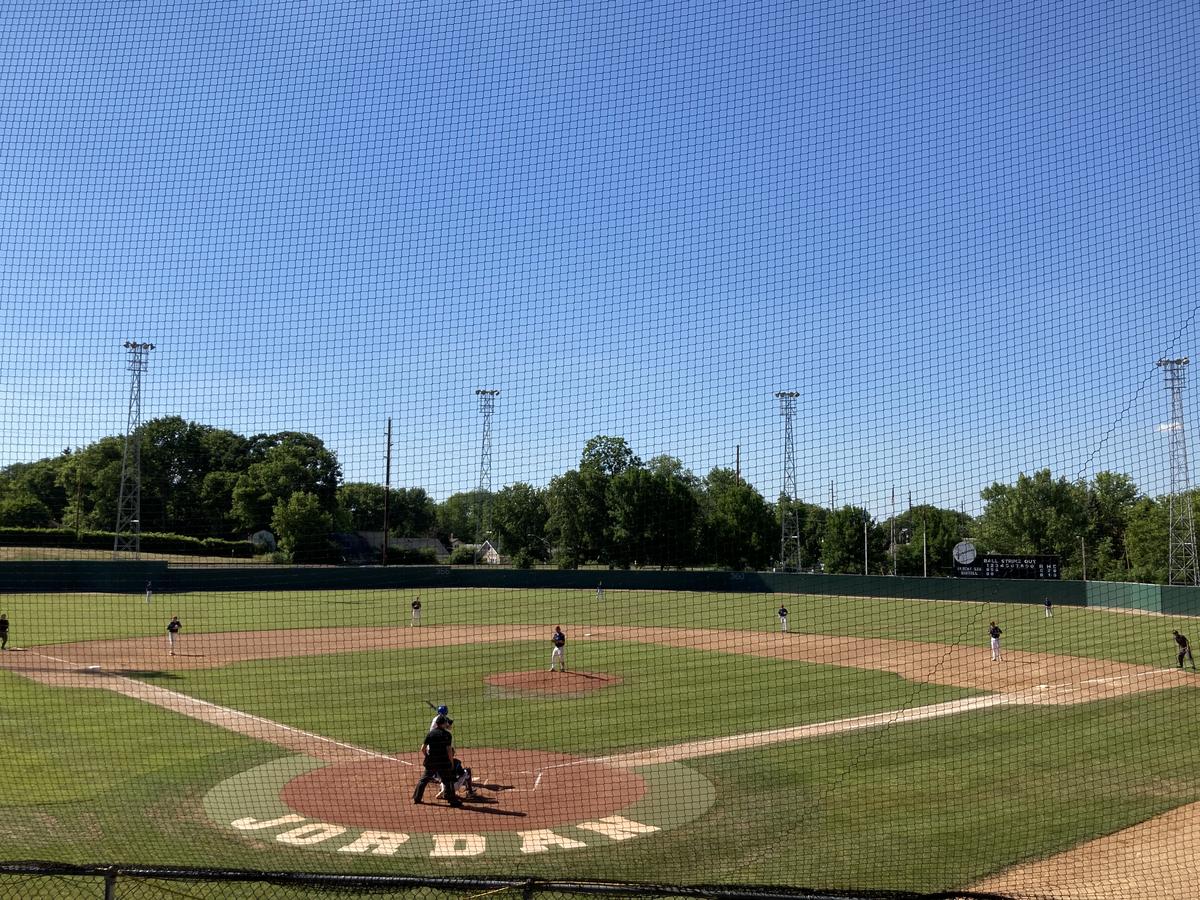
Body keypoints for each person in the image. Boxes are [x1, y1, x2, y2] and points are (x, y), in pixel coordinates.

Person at [412, 715, 462, 807]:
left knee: (423, 780)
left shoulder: (430, 733)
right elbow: (449, 750)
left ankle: (416, 798)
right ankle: (452, 800)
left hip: (432, 761)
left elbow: (422, 748)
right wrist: (451, 762)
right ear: (443, 724)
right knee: (448, 781)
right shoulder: (447, 735)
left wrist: (428, 757)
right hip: (443, 762)